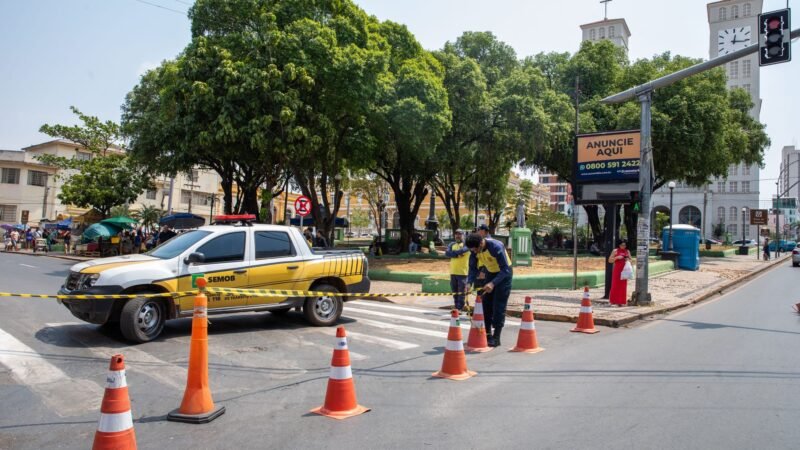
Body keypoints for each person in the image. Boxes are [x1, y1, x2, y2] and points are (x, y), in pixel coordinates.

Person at [465, 233, 512, 347]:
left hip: (503, 275)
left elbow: (505, 269)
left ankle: (496, 337)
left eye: (476, 249)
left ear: (481, 243)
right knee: (486, 304)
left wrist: (493, 283)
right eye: (472, 250)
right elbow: (472, 268)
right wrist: (469, 282)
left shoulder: (495, 247)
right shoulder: (474, 250)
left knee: (498, 306)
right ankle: (487, 334)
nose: (474, 252)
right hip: (490, 273)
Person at [445, 230, 470, 311]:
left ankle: (459, 308)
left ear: (463, 235)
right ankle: (456, 307)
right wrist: (457, 255)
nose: (458, 236)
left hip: (463, 273)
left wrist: (453, 254)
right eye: (456, 234)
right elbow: (447, 253)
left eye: (459, 234)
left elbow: (463, 250)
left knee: (461, 292)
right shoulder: (452, 244)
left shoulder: (467, 245)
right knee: (455, 292)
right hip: (453, 272)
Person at [608, 239, 631, 307]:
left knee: (623, 286)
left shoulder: (627, 251)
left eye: (624, 245)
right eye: (622, 245)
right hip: (617, 270)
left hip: (625, 270)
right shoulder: (615, 251)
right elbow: (609, 260)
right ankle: (613, 301)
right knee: (615, 285)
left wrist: (628, 259)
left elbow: (631, 259)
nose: (623, 246)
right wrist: (617, 257)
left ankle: (621, 301)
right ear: (619, 245)